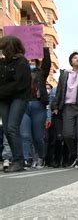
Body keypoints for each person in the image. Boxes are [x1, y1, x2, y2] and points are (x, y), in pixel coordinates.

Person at [52, 51, 78, 169]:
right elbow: (60, 90)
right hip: (68, 107)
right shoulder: (65, 74)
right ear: (71, 61)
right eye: (75, 57)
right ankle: (75, 153)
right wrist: (55, 106)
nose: (77, 59)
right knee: (67, 134)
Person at [0, 36, 31, 172]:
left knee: (12, 128)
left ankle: (19, 161)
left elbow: (20, 84)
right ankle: (15, 159)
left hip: (18, 98)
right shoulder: (2, 63)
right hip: (4, 100)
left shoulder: (22, 62)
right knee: (7, 130)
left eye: (3, 48)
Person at [20, 45, 51, 169]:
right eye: (27, 60)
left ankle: (41, 157)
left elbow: (47, 63)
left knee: (38, 137)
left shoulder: (41, 72)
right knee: (25, 135)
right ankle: (26, 159)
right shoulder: (19, 73)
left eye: (32, 60)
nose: (30, 62)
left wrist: (44, 48)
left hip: (38, 105)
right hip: (23, 105)